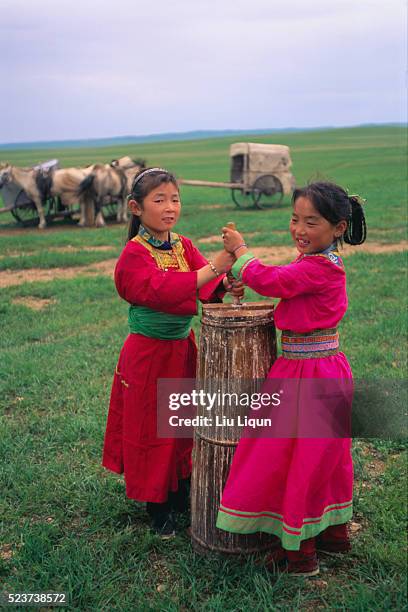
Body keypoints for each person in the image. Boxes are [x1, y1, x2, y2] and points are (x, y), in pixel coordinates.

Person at [216, 181, 366, 576]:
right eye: (294, 219)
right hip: (317, 369)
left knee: (297, 458)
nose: (299, 229)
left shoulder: (318, 267)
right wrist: (247, 275)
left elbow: (274, 281)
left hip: (307, 375)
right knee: (323, 457)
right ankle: (333, 536)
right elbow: (284, 281)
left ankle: (301, 555)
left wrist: (240, 251)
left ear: (337, 228)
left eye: (311, 222)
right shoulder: (319, 264)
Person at [102, 167, 240, 538]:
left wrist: (227, 279)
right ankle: (156, 504)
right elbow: (163, 290)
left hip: (181, 348)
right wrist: (216, 265)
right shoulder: (134, 255)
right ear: (135, 207)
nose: (169, 207)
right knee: (151, 426)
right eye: (159, 200)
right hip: (148, 355)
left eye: (174, 199)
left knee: (180, 422)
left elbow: (204, 286)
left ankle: (177, 489)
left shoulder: (182, 244)